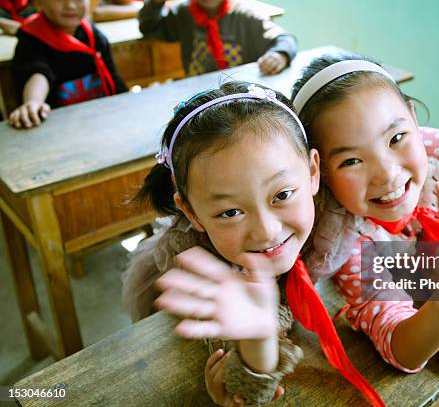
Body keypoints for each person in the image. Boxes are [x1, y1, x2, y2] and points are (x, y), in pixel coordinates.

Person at [122, 81, 384, 406]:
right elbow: (245, 387)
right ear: (191, 212)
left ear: (314, 171)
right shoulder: (198, 266)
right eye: (230, 212)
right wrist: (254, 354)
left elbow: (411, 222)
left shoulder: (340, 200)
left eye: (282, 195)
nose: (266, 231)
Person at [292, 54, 439, 392]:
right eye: (352, 160)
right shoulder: (341, 244)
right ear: (320, 172)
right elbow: (401, 349)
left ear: (413, 119)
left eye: (396, 137)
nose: (387, 174)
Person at [9, 0, 127, 129]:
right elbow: (38, 73)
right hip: (57, 128)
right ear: (38, 2)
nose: (70, 5)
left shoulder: (94, 35)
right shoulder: (31, 39)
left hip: (100, 121)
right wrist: (34, 101)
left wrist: (127, 103)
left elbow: (114, 79)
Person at [138, 0, 297, 76]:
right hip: (199, 95)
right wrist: (156, 3)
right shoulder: (183, 14)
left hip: (241, 96)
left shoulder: (245, 15)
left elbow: (285, 39)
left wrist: (279, 54)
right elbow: (149, 27)